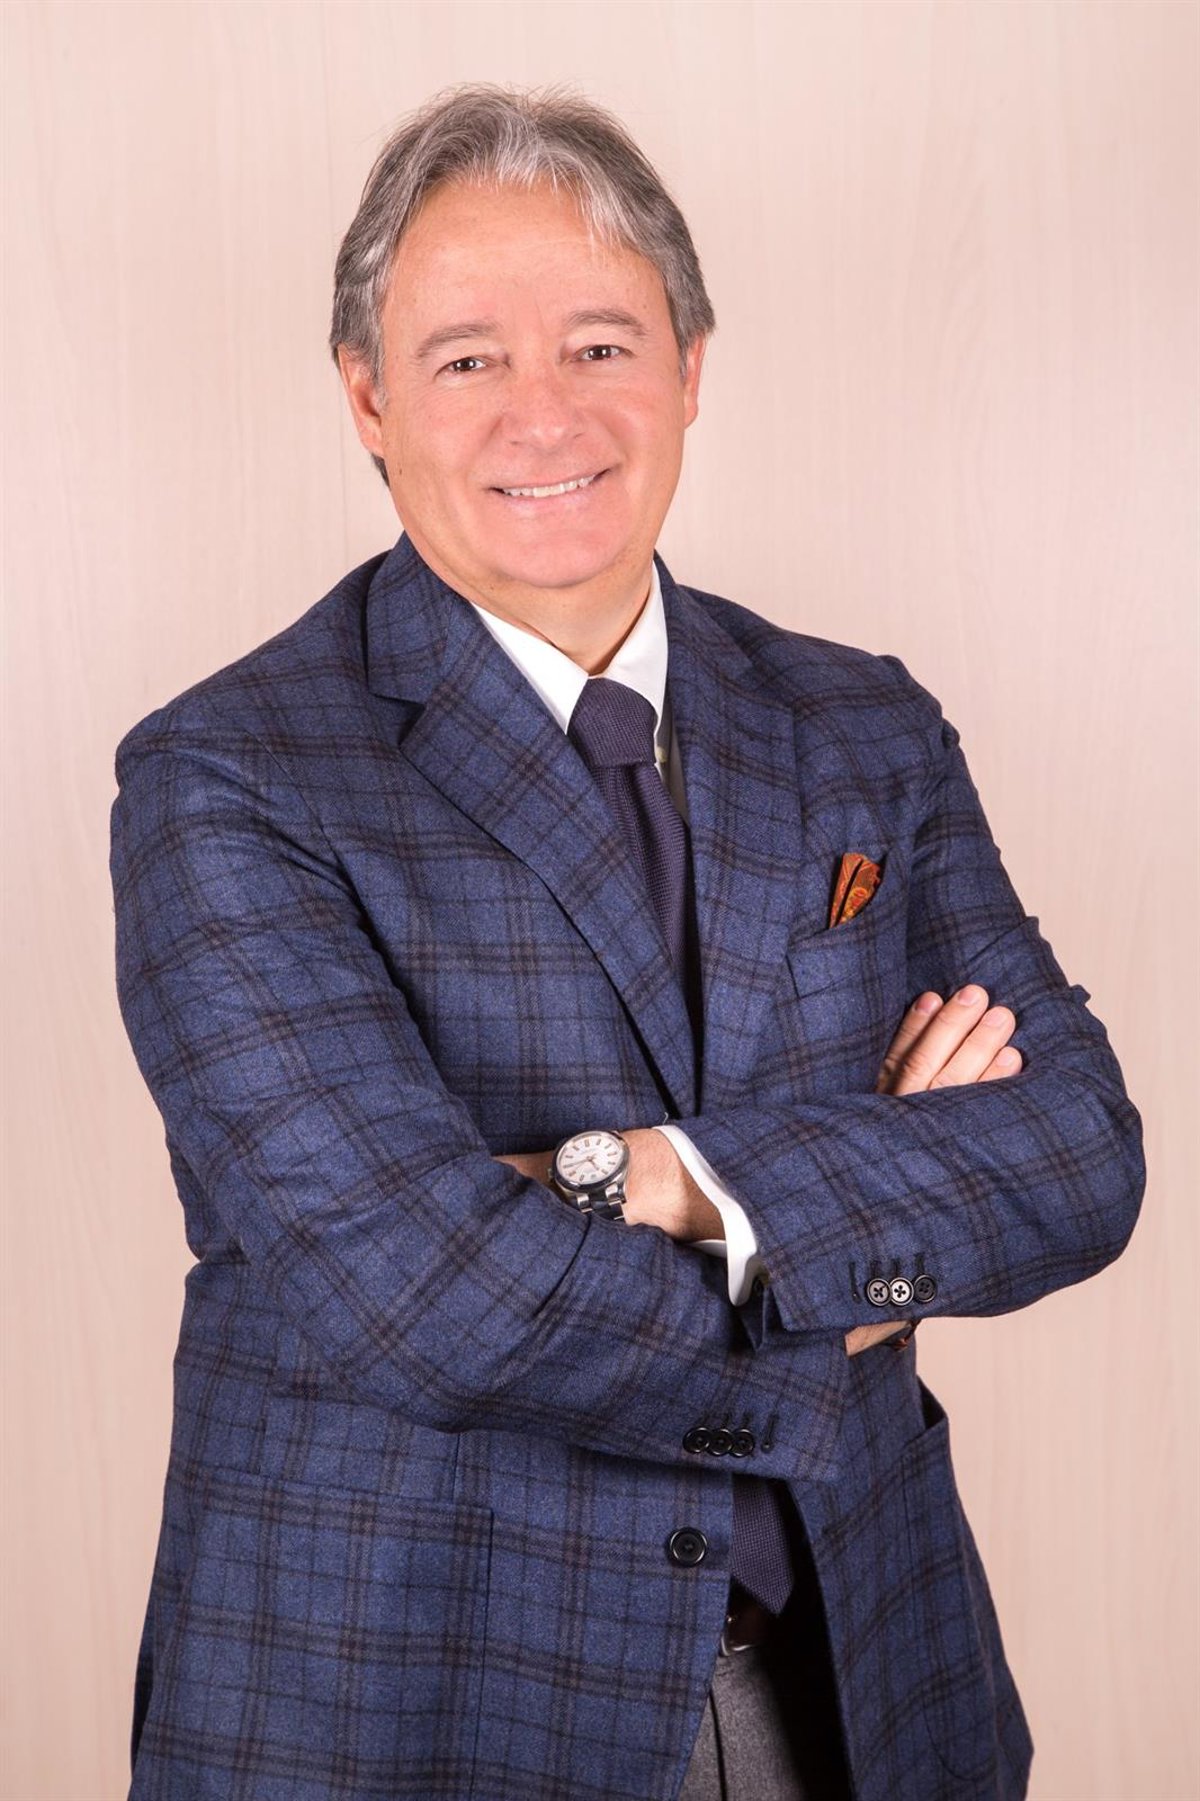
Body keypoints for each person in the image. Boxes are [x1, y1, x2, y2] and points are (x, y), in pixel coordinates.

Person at [110, 83, 1144, 1801]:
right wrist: (852, 1245)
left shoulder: (860, 724)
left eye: (601, 344)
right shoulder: (229, 777)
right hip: (417, 1701)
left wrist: (665, 1181)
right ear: (368, 398)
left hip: (859, 1682)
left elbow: (1078, 1151)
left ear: (690, 367)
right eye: (466, 359)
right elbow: (434, 1294)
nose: (546, 412)